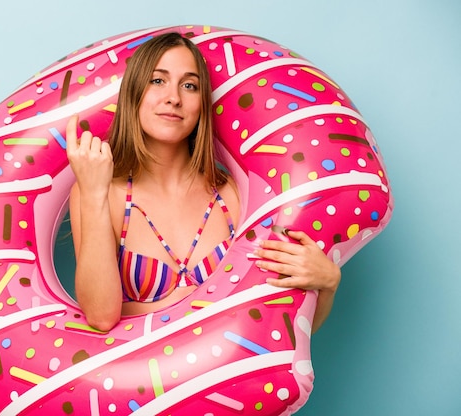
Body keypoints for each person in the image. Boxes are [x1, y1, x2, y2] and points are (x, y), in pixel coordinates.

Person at [66, 32, 340, 333]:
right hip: (147, 378)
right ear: (134, 92)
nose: (174, 97)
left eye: (189, 85)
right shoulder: (101, 192)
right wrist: (92, 192)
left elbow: (285, 325)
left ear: (201, 104)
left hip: (234, 376)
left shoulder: (234, 195)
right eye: (158, 81)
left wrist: (327, 285)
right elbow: (101, 316)